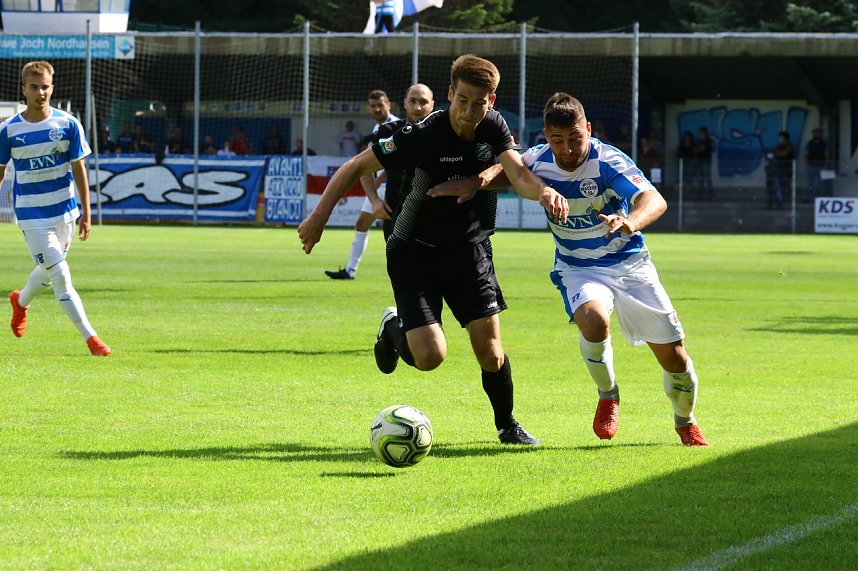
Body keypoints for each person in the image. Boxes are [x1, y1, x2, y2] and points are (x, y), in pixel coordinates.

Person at [299, 54, 569, 445]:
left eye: (479, 103)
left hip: (470, 252)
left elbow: (518, 172)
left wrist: (542, 192)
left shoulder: (493, 126)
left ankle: (507, 425)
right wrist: (318, 217)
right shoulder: (422, 134)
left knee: (491, 352)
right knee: (429, 358)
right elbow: (354, 166)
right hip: (415, 253)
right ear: (450, 94)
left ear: (491, 101)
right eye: (463, 100)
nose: (470, 111)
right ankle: (392, 327)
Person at [428, 92, 708, 446]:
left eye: (575, 138)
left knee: (675, 359)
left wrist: (630, 221)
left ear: (587, 129)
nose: (568, 149)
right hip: (578, 268)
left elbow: (653, 199)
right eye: (557, 140)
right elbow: (510, 170)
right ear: (546, 136)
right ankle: (608, 395)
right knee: (593, 320)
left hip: (630, 264)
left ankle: (685, 420)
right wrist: (477, 181)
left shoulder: (607, 161)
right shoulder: (539, 159)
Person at [0, 61, 111, 356]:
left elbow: (79, 169)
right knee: (60, 275)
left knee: (48, 270)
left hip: (65, 212)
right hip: (31, 214)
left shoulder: (68, 124)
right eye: (34, 87)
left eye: (45, 87)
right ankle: (92, 340)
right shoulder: (8, 131)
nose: (40, 93)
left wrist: (87, 212)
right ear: (23, 90)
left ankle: (20, 301)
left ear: (53, 88)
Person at [324, 89, 400, 280]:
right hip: (379, 188)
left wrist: (376, 183)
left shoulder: (396, 126)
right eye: (373, 106)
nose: (377, 109)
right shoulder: (377, 128)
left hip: (393, 187)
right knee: (362, 224)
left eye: (380, 105)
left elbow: (397, 161)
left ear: (389, 105)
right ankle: (350, 269)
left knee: (397, 232)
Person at [804, 128, 828, 202]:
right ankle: (809, 199)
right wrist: (807, 164)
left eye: (817, 133)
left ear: (820, 134)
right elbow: (806, 154)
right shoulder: (810, 143)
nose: (816, 135)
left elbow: (826, 155)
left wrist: (825, 165)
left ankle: (822, 200)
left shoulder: (824, 143)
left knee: (822, 184)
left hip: (821, 166)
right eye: (814, 133)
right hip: (811, 165)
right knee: (810, 183)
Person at [693, 126, 714, 201]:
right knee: (700, 179)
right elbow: (694, 149)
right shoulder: (698, 141)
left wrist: (697, 149)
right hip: (699, 161)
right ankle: (700, 196)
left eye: (701, 133)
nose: (700, 134)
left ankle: (710, 196)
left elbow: (703, 148)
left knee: (707, 179)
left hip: (706, 161)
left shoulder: (708, 140)